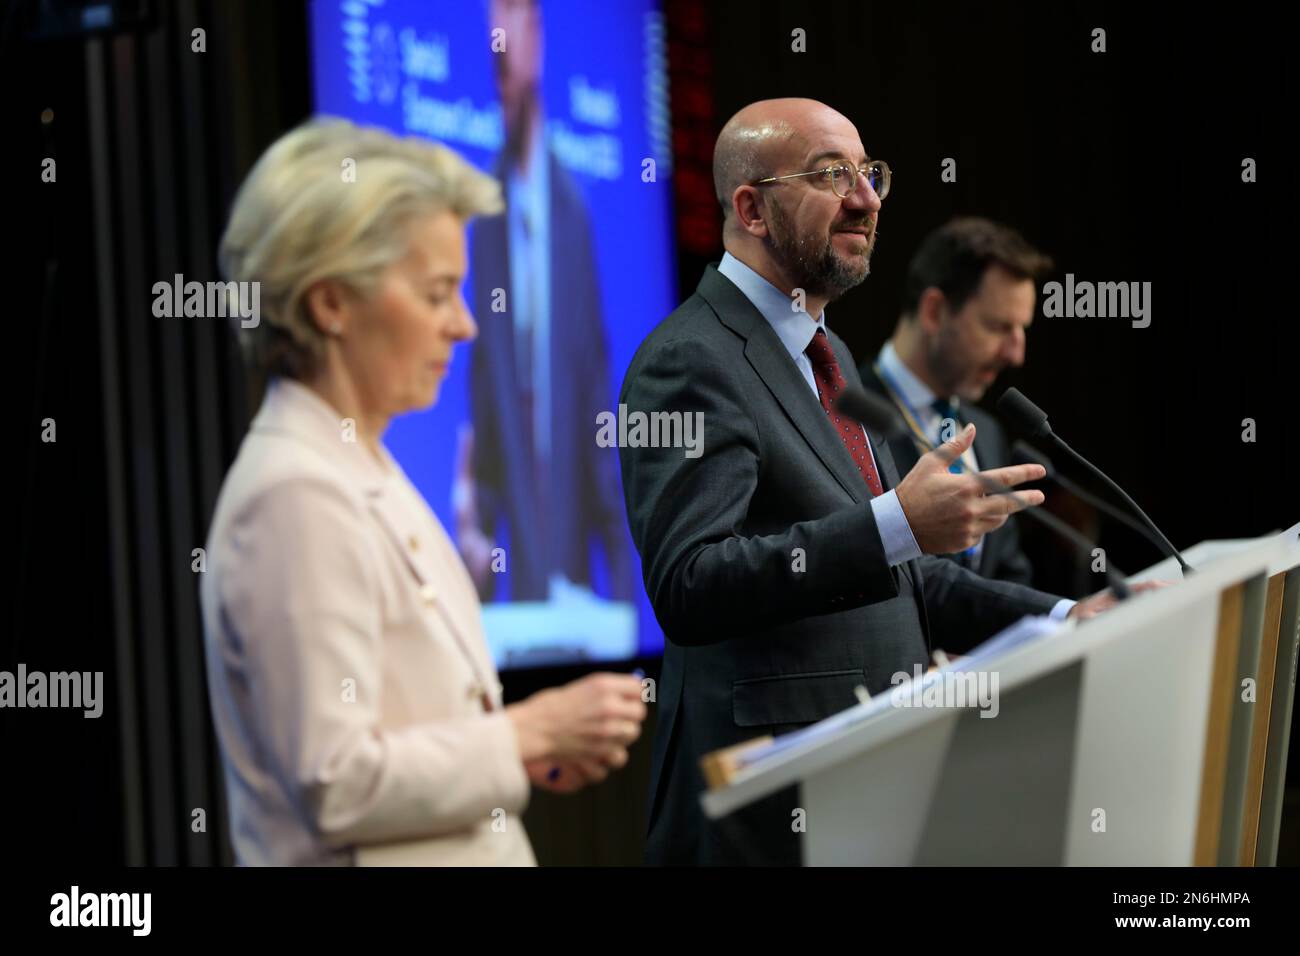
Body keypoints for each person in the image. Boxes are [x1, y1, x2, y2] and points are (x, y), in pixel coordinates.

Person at [618, 98, 1141, 866]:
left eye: (870, 174)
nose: (865, 197)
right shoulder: (692, 358)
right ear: (751, 209)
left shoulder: (827, 356)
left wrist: (1070, 617)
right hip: (763, 813)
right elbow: (690, 583)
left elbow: (907, 581)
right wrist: (896, 521)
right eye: (833, 175)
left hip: (873, 794)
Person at [202, 118, 645, 866]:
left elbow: (405, 722)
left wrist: (516, 751)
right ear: (331, 303)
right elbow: (335, 780)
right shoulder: (294, 496)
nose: (466, 325)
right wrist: (528, 733)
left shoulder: (356, 464)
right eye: (439, 293)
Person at [860, 217, 1054, 586]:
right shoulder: (844, 419)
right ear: (935, 311)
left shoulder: (988, 433)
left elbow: (1007, 582)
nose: (1016, 355)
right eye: (998, 327)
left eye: (1021, 330)